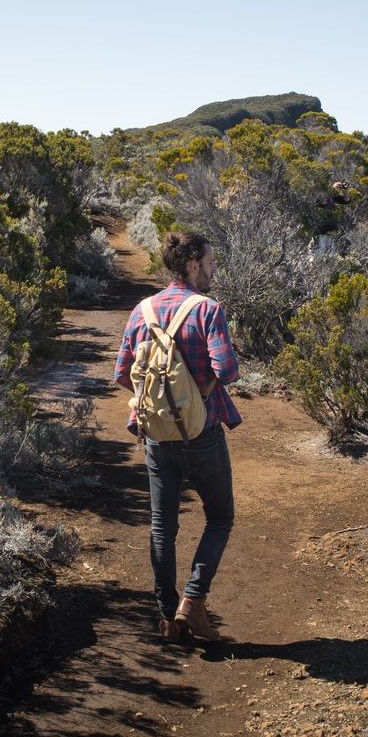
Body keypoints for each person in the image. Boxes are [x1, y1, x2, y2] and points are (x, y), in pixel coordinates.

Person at [114, 231, 240, 641]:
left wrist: (158, 404)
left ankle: (168, 618)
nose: (213, 268)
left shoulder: (142, 310)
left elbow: (121, 374)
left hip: (155, 437)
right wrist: (197, 395)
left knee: (161, 527)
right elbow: (228, 372)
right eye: (209, 261)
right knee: (220, 516)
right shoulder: (207, 310)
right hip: (201, 435)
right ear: (192, 265)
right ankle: (193, 600)